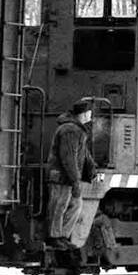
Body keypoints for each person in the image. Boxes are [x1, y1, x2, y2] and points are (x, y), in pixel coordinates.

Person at [45, 99, 95, 249]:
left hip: (68, 177)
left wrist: (91, 168)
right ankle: (54, 237)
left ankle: (63, 236)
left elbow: (82, 154)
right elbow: (68, 157)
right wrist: (75, 180)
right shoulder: (70, 130)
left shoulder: (77, 130)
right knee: (59, 205)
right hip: (62, 177)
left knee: (75, 205)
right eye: (89, 113)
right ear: (84, 114)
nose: (91, 116)